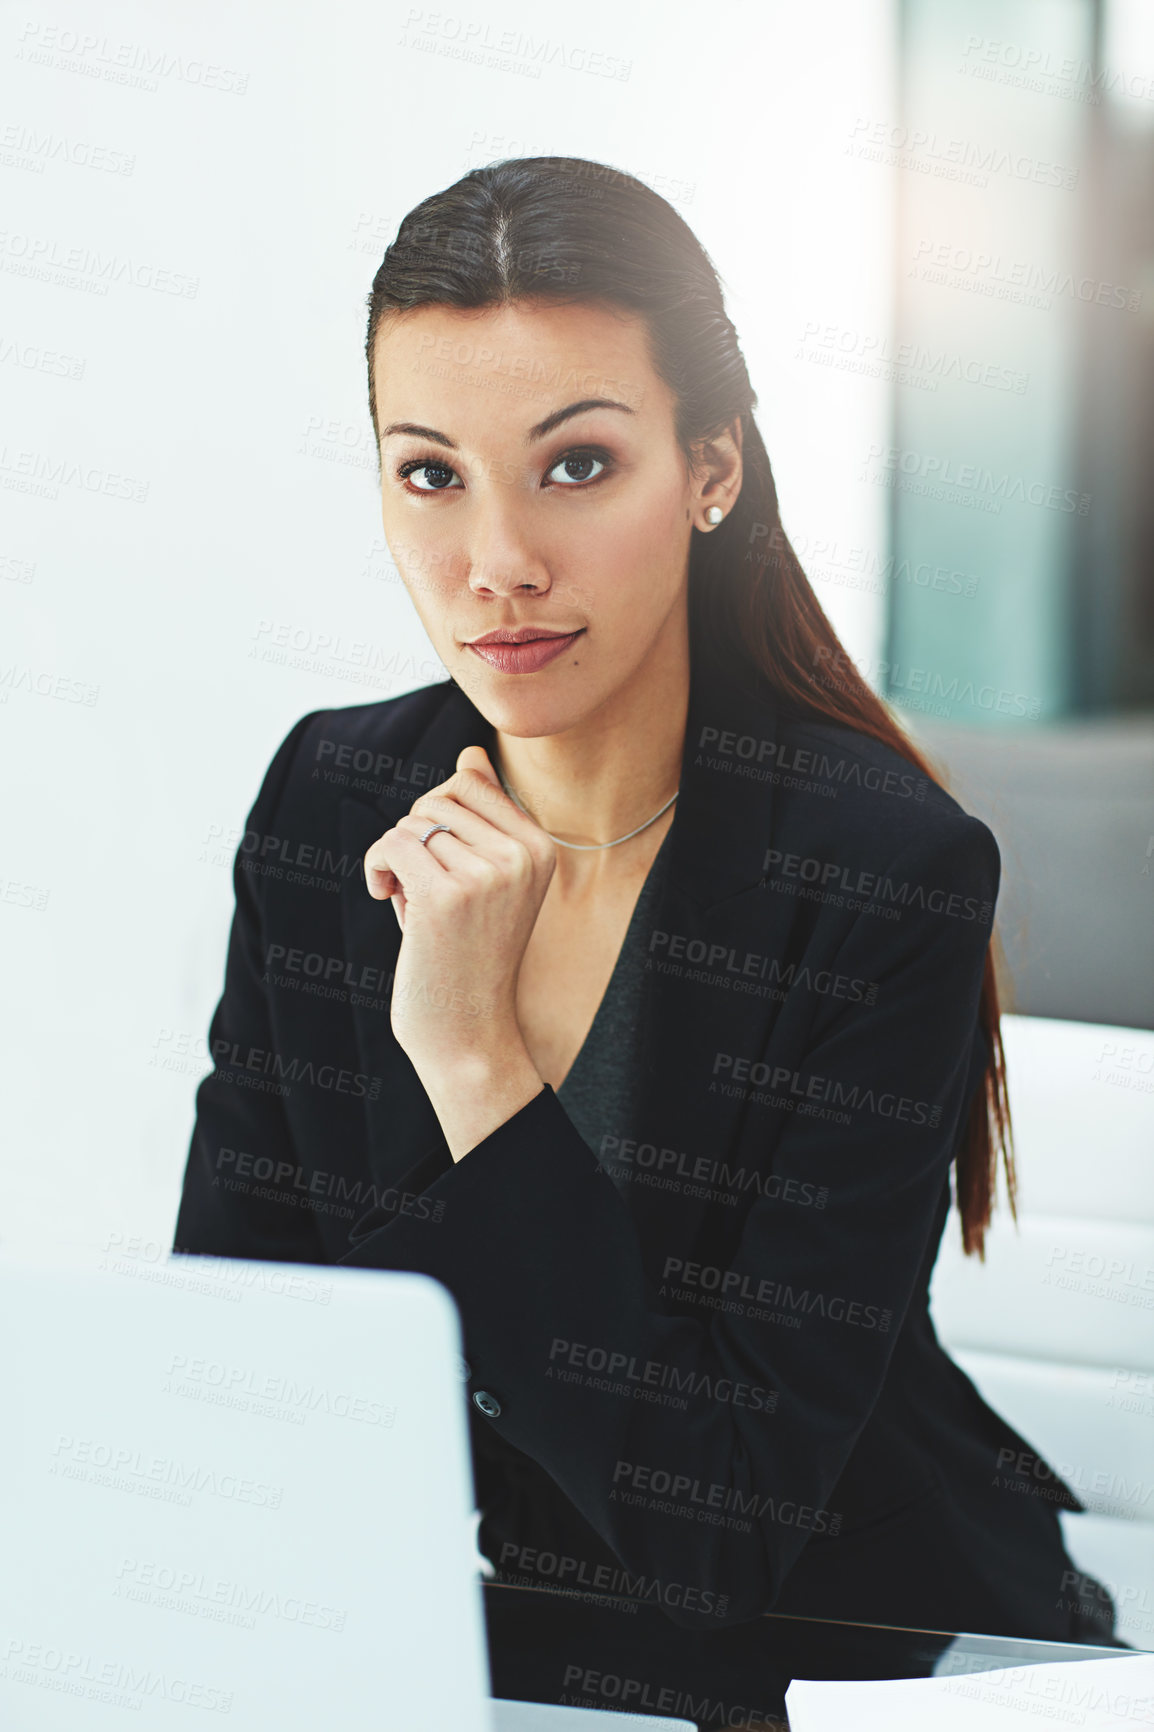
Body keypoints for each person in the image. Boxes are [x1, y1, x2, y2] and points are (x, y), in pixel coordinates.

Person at [173, 157, 1120, 1724]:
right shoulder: (327, 797)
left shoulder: (880, 875)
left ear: (709, 469)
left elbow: (717, 1531)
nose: (494, 566)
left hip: (831, 1656)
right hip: (431, 1642)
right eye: (429, 474)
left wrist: (474, 1063)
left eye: (573, 466)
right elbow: (244, 1360)